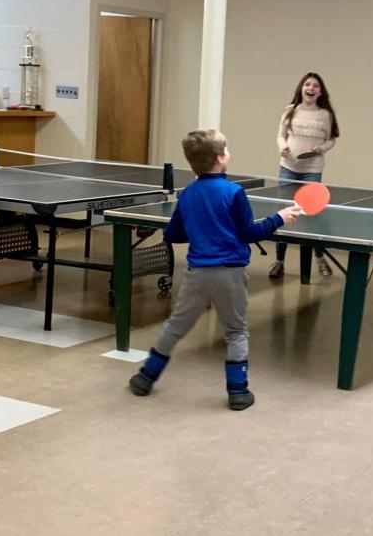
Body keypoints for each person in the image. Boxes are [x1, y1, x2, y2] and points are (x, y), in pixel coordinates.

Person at [128, 129, 302, 411]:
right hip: (230, 274)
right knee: (236, 331)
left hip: (197, 273)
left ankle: (145, 378)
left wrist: (202, 233)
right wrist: (278, 218)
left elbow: (173, 234)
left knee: (175, 326)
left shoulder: (188, 194)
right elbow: (249, 232)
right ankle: (238, 392)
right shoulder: (234, 192)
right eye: (227, 150)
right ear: (220, 158)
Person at [268, 72, 340, 281]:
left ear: (320, 91)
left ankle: (319, 257)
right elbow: (280, 135)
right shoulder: (290, 111)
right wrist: (283, 147)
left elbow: (332, 139)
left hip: (312, 170)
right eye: (307, 84)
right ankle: (279, 261)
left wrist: (321, 148)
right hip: (288, 168)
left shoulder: (325, 115)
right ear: (301, 88)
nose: (310, 88)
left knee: (312, 216)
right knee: (284, 214)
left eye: (315, 86)